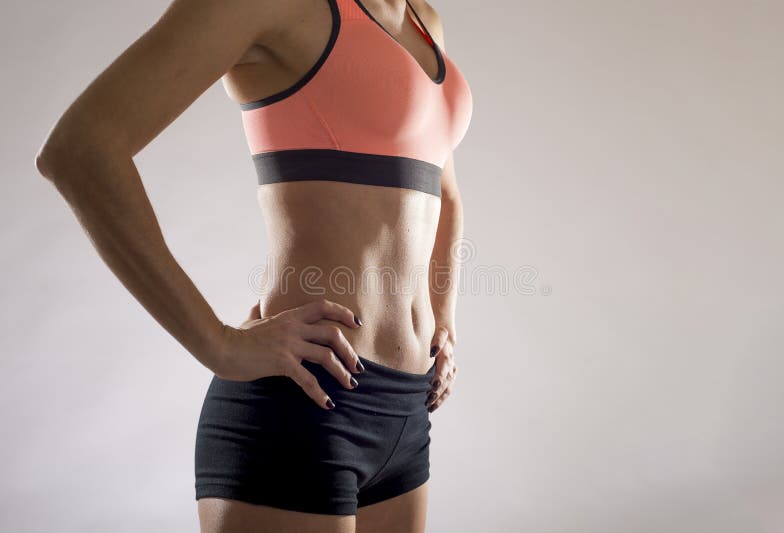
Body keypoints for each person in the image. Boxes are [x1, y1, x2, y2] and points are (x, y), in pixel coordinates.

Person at [34, 0, 473, 530]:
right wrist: (220, 346)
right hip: (305, 397)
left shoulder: (424, 18)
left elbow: (444, 195)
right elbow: (79, 150)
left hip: (406, 409)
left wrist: (442, 318)